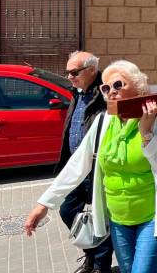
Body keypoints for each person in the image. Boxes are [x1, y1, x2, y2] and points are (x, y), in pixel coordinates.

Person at [25, 60, 157, 273]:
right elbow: (77, 164)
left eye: (118, 85)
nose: (112, 92)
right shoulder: (104, 121)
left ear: (138, 86)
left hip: (154, 216)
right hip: (118, 218)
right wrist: (44, 204)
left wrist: (146, 133)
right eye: (106, 88)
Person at [55, 51, 113, 273]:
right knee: (67, 210)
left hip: (97, 166)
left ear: (91, 71)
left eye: (74, 72)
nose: (69, 76)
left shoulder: (105, 92)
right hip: (75, 166)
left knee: (100, 216)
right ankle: (91, 254)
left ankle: (100, 265)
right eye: (68, 72)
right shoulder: (77, 92)